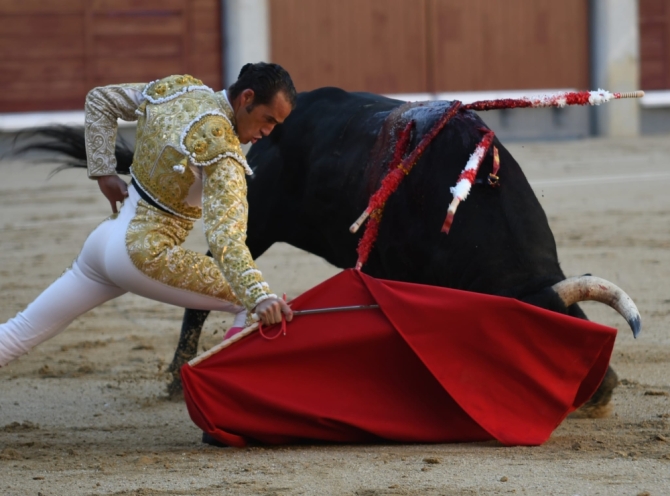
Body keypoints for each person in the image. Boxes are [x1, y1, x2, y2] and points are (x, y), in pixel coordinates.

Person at [0, 63, 295, 367]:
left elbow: (101, 99)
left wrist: (104, 172)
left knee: (17, 332)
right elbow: (225, 238)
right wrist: (260, 296)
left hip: (102, 244)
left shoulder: (177, 89)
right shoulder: (223, 152)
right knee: (251, 304)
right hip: (142, 255)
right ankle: (225, 391)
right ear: (246, 98)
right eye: (267, 119)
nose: (267, 132)